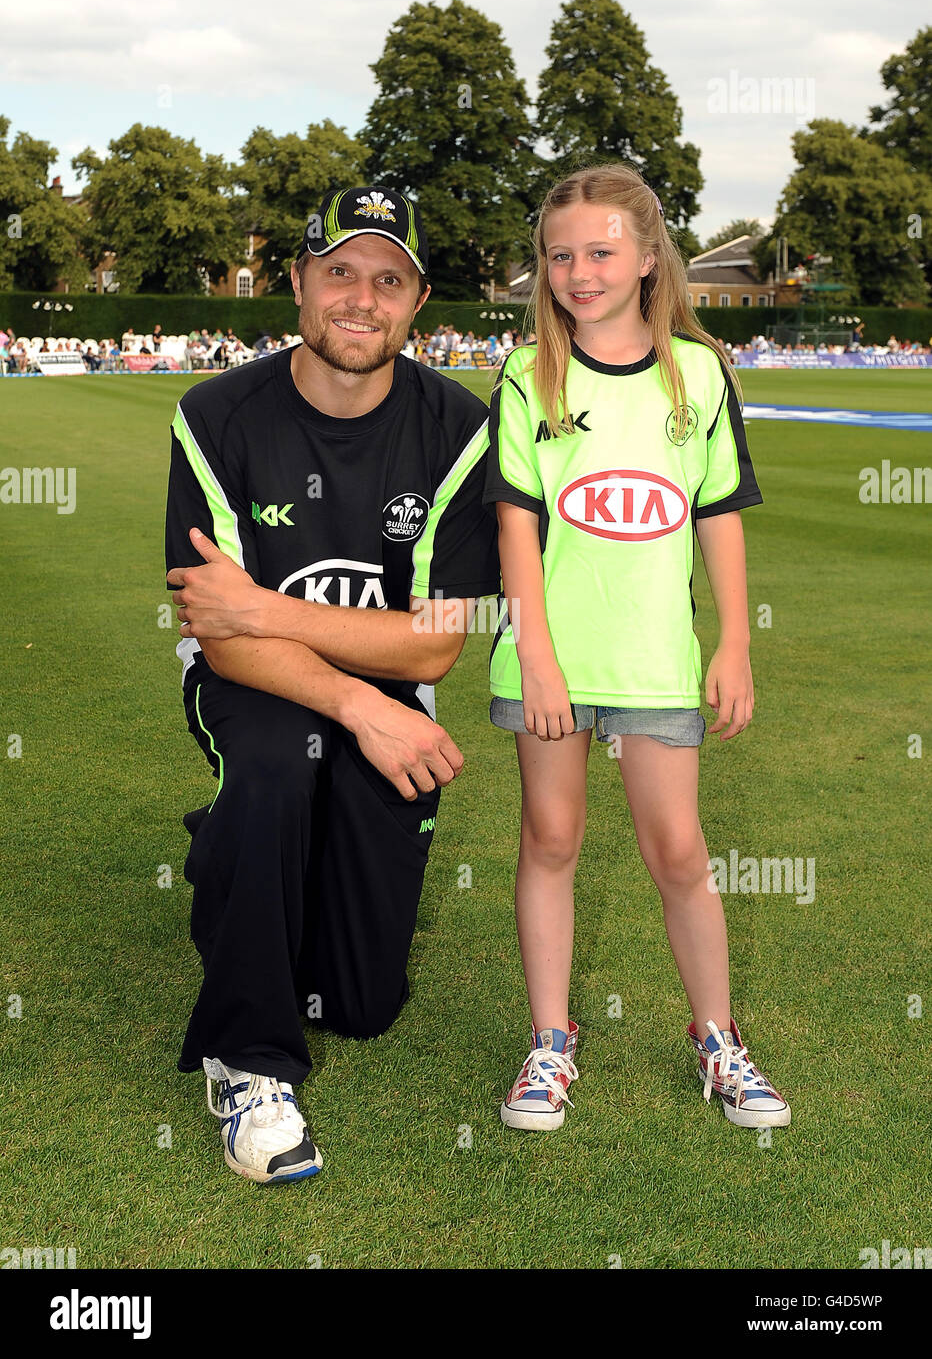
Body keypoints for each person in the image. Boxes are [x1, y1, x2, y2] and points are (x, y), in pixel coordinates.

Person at [164, 184, 500, 1184]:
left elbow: (435, 648)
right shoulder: (214, 413)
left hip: (378, 681)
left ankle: (226, 857)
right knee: (272, 757)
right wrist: (358, 703)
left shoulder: (458, 428)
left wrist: (265, 607)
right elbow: (220, 641)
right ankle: (248, 1063)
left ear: (417, 301)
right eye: (340, 273)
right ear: (300, 284)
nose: (362, 298)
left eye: (387, 280)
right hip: (252, 685)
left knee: (358, 1003)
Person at [482, 163, 790, 1135]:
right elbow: (515, 524)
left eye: (601, 250)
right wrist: (533, 653)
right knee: (550, 838)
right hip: (551, 659)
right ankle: (546, 1041)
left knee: (678, 851)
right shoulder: (526, 374)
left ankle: (717, 1039)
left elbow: (719, 515)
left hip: (655, 657)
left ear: (648, 258)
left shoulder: (695, 374)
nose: (578, 270)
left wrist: (733, 640)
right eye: (559, 253)